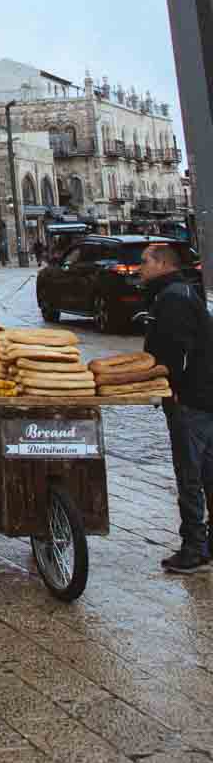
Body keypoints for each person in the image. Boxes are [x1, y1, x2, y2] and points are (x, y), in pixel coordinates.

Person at [140, 240, 213, 574]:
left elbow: (177, 355)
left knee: (190, 474)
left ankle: (194, 547)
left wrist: (174, 388)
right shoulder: (182, 293)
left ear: (162, 265)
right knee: (206, 473)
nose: (140, 269)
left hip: (190, 401)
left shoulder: (172, 299)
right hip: (204, 396)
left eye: (144, 262)